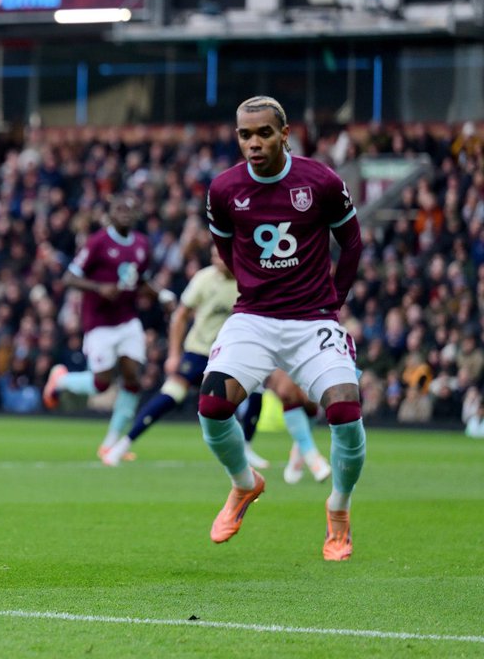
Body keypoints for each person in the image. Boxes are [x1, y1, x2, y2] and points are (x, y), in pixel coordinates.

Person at [201, 95, 364, 561]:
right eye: (244, 135)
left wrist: (335, 302)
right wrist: (257, 289)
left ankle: (339, 507)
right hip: (253, 316)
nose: (253, 143)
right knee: (212, 404)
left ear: (284, 134)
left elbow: (350, 244)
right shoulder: (223, 190)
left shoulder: (320, 181)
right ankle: (244, 483)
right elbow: (227, 252)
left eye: (263, 133)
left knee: (345, 412)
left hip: (313, 318)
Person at [100, 245, 330, 478]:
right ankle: (123, 444)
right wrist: (174, 354)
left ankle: (247, 447)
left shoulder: (250, 280)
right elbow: (181, 316)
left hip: (233, 355)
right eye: (212, 256)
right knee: (171, 395)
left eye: (220, 255)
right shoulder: (204, 279)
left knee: (258, 389)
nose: (217, 260)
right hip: (199, 351)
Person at [42, 192, 177, 461]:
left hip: (128, 319)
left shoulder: (141, 244)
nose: (125, 213)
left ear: (136, 214)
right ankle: (61, 380)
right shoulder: (98, 242)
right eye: (120, 209)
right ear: (110, 214)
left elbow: (142, 279)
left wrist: (161, 295)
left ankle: (111, 443)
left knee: (132, 378)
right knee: (101, 383)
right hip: (99, 321)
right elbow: (69, 277)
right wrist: (99, 288)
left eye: (130, 209)